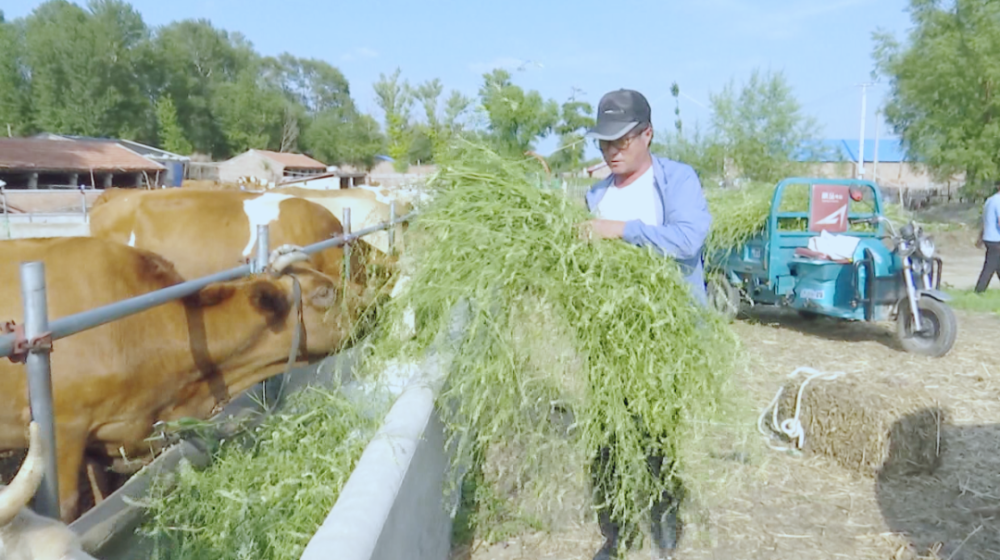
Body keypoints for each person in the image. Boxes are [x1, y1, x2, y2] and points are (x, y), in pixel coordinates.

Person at [578, 88, 713, 560]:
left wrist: (622, 230)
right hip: (607, 339)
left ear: (647, 134)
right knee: (606, 444)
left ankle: (664, 528)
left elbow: (688, 239)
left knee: (656, 437)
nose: (612, 151)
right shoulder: (595, 194)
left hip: (663, 339)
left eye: (621, 141)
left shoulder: (676, 180)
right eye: (604, 143)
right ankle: (615, 537)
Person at [975, 181, 1000, 293]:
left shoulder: (989, 200)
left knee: (997, 264)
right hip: (996, 239)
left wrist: (980, 237)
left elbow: (985, 221)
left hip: (989, 238)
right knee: (990, 266)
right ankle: (979, 290)